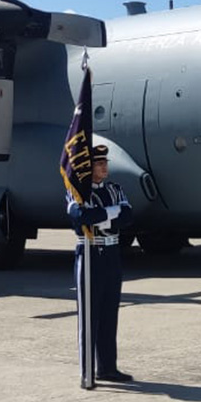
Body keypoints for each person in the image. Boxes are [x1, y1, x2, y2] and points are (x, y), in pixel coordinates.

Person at [67, 144, 136, 387]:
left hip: (112, 252)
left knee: (109, 313)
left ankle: (107, 367)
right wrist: (113, 213)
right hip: (90, 253)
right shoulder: (78, 193)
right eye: (99, 163)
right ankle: (87, 372)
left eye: (105, 163)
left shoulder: (114, 189)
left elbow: (127, 217)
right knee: (89, 315)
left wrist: (103, 214)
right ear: (89, 167)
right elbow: (80, 218)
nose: (104, 167)